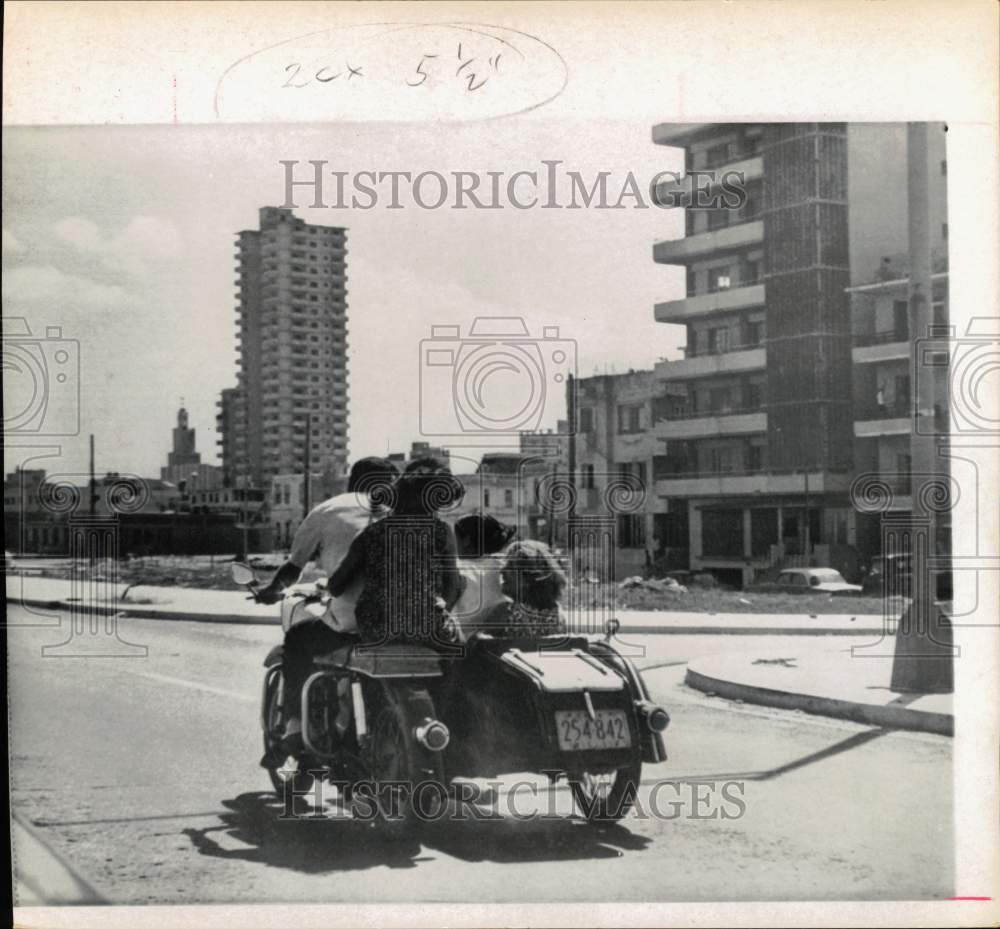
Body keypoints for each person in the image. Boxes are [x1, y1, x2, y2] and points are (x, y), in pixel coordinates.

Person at [257, 456, 398, 762]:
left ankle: (294, 725)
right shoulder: (405, 514)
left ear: (352, 481)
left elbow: (294, 568)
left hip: (352, 622)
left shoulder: (327, 510)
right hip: (405, 622)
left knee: (297, 640)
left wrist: (270, 591)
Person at [328, 457, 465, 646]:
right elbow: (452, 585)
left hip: (376, 628)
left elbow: (336, 586)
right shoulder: (441, 532)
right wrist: (440, 611)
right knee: (463, 655)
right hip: (425, 627)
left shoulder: (372, 532)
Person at [475, 539, 568, 638]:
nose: (502, 570)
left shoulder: (505, 613)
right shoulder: (558, 616)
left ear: (528, 580)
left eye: (510, 566)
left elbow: (477, 646)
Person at [451, 514, 516, 638]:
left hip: (465, 643)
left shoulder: (458, 569)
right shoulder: (504, 566)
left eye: (455, 538)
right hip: (497, 640)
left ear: (466, 541)